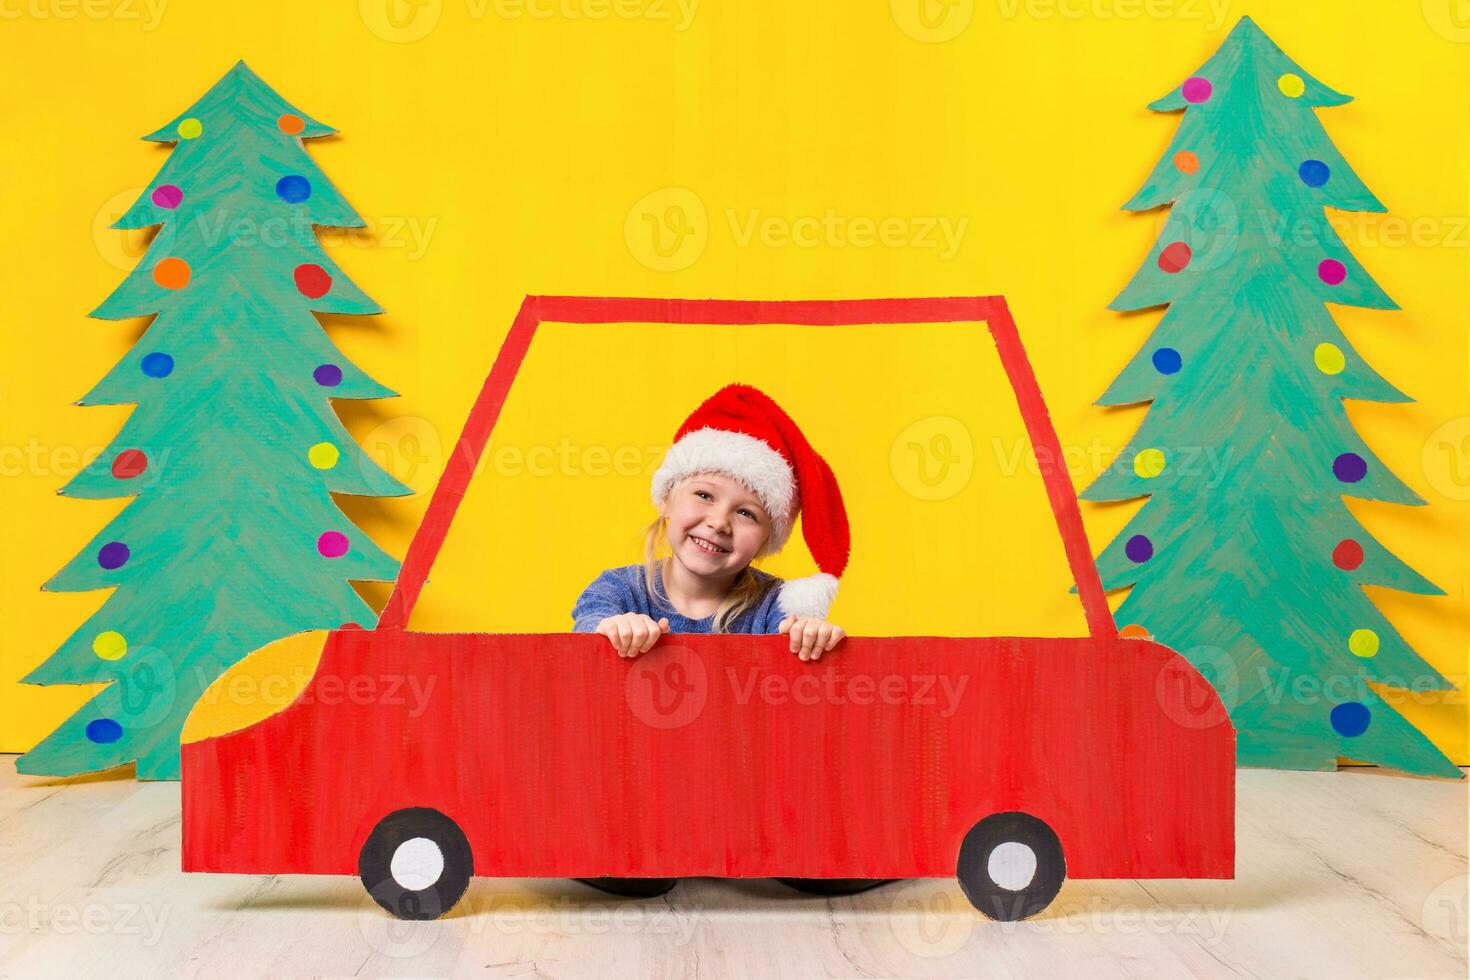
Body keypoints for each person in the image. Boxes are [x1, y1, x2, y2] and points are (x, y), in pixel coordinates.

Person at [570, 383, 888, 899]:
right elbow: (586, 633)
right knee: (631, 870)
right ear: (668, 499)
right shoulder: (620, 589)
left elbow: (797, 684)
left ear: (765, 539)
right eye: (703, 494)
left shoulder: (774, 604)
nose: (719, 521)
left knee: (813, 865)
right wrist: (612, 631)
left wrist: (811, 637)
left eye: (747, 513)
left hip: (743, 792)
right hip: (645, 787)